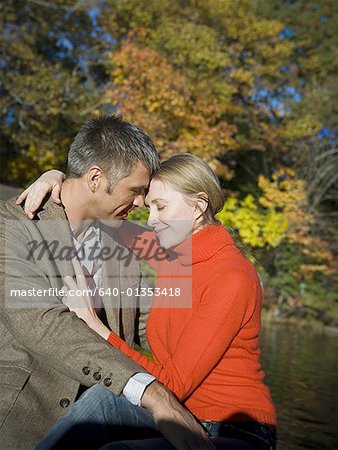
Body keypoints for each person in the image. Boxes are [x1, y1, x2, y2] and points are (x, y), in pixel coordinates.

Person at [20, 153, 277, 449]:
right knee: (101, 401)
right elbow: (105, 217)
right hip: (180, 409)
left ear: (198, 206)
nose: (151, 220)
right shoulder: (173, 252)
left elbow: (174, 383)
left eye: (161, 207)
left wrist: (95, 325)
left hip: (231, 429)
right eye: (149, 206)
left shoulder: (232, 277)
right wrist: (58, 178)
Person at [0, 115, 214, 450]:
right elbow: (42, 324)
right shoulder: (12, 227)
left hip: (100, 436)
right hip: (18, 429)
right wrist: (151, 391)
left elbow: (157, 322)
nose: (142, 203)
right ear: (96, 178)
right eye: (136, 191)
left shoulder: (121, 247)